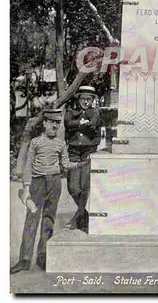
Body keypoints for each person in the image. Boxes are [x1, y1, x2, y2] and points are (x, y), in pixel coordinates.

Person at [10, 109, 87, 274]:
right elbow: (29, 165)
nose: (55, 125)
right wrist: (27, 186)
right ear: (44, 123)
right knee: (32, 219)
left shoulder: (60, 143)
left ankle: (42, 257)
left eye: (57, 122)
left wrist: (80, 164)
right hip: (37, 183)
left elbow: (65, 164)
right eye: (51, 122)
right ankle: (24, 259)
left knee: (49, 220)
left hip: (55, 183)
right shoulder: (36, 142)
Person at [64, 86, 100, 231]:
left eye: (89, 99)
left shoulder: (95, 112)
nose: (86, 101)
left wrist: (75, 125)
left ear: (92, 100)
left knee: (84, 186)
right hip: (73, 151)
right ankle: (83, 214)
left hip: (88, 151)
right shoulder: (71, 112)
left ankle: (78, 217)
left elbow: (92, 126)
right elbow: (67, 123)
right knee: (73, 187)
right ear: (78, 99)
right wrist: (80, 123)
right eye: (83, 98)